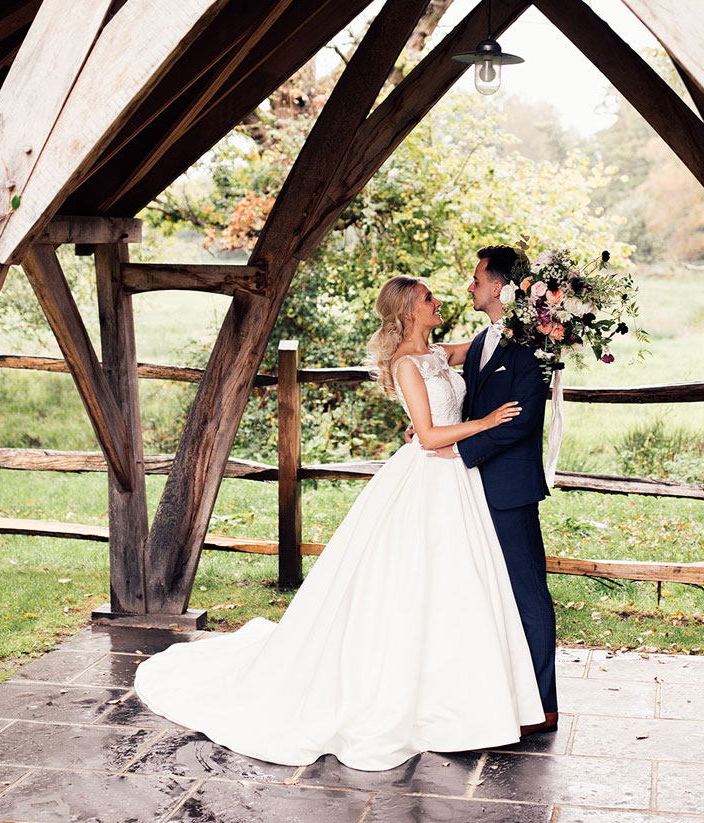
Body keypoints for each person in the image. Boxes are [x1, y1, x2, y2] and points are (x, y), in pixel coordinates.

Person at [134, 275, 544, 770]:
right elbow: (431, 436)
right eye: (428, 299)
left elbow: (493, 342)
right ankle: (408, 696)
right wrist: (485, 422)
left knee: (461, 585)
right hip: (428, 472)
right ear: (408, 312)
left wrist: (545, 316)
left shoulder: (440, 353)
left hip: (459, 480)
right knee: (414, 584)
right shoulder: (406, 364)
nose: (439, 302)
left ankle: (463, 692)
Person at [441, 245, 558, 733]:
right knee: (486, 593)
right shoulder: (484, 338)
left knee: (528, 593)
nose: (469, 286)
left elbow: (523, 421)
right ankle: (501, 696)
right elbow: (473, 403)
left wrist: (462, 451)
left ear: (498, 286)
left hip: (508, 489)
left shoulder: (533, 347)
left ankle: (543, 707)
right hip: (470, 489)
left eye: (475, 279)